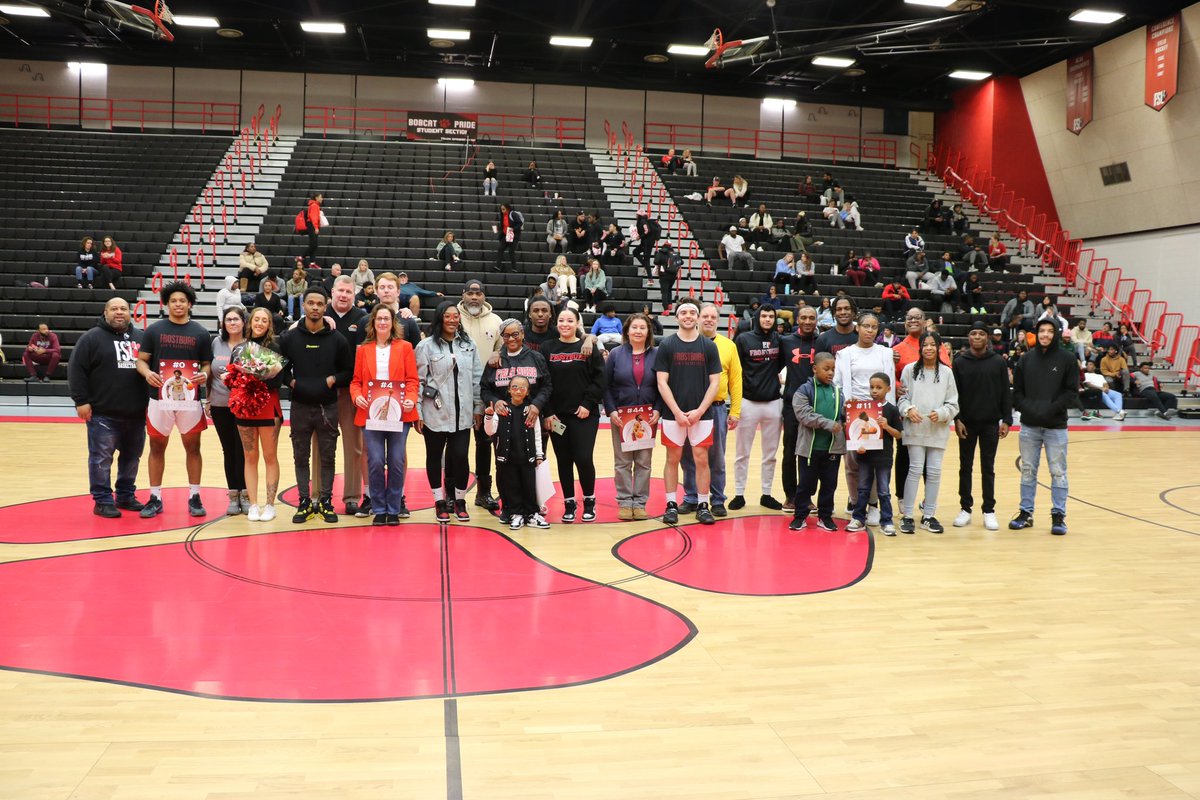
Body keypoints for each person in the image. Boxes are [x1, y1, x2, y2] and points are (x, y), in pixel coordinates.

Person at [135, 281, 212, 519]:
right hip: (159, 399)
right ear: (166, 304)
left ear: (190, 304)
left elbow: (207, 364)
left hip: (189, 399)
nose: (178, 304)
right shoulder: (154, 330)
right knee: (157, 447)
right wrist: (147, 373)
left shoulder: (201, 333)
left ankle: (195, 495)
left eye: (182, 301)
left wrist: (204, 375)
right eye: (173, 301)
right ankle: (155, 497)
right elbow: (141, 360)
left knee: (193, 447)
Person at [69, 296, 149, 518]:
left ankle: (125, 495)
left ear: (130, 313)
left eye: (123, 308)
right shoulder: (90, 338)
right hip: (102, 414)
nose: (119, 312)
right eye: (114, 309)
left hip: (136, 414)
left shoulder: (142, 338)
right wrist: (80, 401)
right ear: (105, 313)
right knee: (101, 459)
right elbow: (76, 370)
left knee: (132, 458)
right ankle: (102, 500)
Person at [279, 287, 353, 525]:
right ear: (304, 305)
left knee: (328, 457)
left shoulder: (337, 339)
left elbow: (348, 371)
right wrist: (291, 382)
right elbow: (279, 368)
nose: (315, 307)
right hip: (300, 406)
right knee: (300, 457)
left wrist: (332, 380)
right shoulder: (289, 338)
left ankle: (325, 501)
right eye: (310, 303)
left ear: (325, 307)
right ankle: (304, 501)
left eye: (319, 304)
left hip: (327, 407)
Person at [350, 305, 419, 527]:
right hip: (371, 413)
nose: (382, 322)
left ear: (392, 322)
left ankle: (394, 508)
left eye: (386, 319)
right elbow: (356, 382)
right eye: (379, 318)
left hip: (399, 413)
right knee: (376, 461)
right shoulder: (363, 349)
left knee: (397, 461)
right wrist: (357, 396)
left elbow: (412, 380)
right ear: (373, 322)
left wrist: (411, 398)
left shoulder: (405, 347)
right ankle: (379, 509)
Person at [416, 300, 483, 523]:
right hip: (434, 414)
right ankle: (439, 502)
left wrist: (478, 407)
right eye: (448, 316)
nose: (453, 320)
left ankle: (460, 500)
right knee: (434, 457)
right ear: (439, 318)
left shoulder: (468, 344)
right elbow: (418, 381)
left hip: (463, 416)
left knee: (461, 457)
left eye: (456, 316)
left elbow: (476, 378)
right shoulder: (426, 346)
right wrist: (418, 411)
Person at [657, 298, 722, 526]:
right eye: (683, 312)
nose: (687, 316)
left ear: (697, 317)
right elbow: (661, 382)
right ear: (677, 317)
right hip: (672, 414)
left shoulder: (709, 346)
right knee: (672, 458)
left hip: (701, 415)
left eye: (692, 313)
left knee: (701, 459)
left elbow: (715, 382)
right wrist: (676, 411)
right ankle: (671, 504)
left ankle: (703, 505)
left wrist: (700, 410)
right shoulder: (667, 345)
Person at [480, 318, 552, 523]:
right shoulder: (495, 360)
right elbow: (484, 388)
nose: (511, 339)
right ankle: (509, 507)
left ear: (522, 334)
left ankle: (533, 506)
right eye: (506, 335)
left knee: (532, 464)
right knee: (504, 467)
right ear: (502, 337)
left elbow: (547, 386)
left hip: (530, 419)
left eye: (515, 334)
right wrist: (495, 401)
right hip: (504, 421)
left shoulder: (536, 357)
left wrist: (537, 404)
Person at [1010, 319, 1078, 535]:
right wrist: (1031, 409)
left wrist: (1049, 409)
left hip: (1056, 426)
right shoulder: (1026, 359)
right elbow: (1017, 392)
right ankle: (1026, 513)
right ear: (1036, 333)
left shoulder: (1067, 359)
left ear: (1055, 334)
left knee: (1058, 472)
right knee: (1028, 470)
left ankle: (1059, 516)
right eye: (1042, 331)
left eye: (1049, 331)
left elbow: (1071, 392)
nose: (1045, 335)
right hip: (1029, 426)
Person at [542, 306, 607, 523]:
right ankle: (569, 503)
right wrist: (548, 412)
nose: (565, 324)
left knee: (583, 457)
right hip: (557, 417)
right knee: (563, 460)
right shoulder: (547, 348)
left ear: (577, 323)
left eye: (570, 320)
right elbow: (543, 382)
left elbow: (600, 378)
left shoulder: (588, 346)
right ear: (556, 323)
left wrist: (588, 403)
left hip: (584, 415)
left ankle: (589, 500)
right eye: (561, 320)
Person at [679, 303, 740, 517]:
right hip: (690, 408)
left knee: (716, 457)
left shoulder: (728, 346)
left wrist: (735, 411)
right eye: (705, 316)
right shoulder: (687, 344)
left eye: (713, 317)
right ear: (698, 318)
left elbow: (736, 380)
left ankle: (717, 499)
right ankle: (691, 497)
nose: (709, 320)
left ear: (718, 320)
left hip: (716, 408)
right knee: (688, 455)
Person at [835, 312, 896, 523]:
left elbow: (891, 384)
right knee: (853, 463)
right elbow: (838, 384)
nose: (870, 330)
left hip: (878, 413)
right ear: (857, 328)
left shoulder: (885, 353)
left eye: (874, 327)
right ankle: (855, 502)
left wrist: (890, 413)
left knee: (875, 462)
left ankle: (873, 505)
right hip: (853, 413)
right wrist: (845, 407)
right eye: (866, 326)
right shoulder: (845, 354)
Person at [951, 322, 1013, 531]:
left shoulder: (998, 362)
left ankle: (989, 510)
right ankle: (965, 509)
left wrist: (1007, 420)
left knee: (988, 468)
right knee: (965, 467)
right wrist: (957, 419)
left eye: (981, 334)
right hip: (966, 424)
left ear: (987, 337)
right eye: (973, 333)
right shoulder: (960, 362)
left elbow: (1005, 392)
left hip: (990, 424)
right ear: (968, 337)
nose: (977, 337)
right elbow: (954, 394)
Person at [897, 331, 959, 535]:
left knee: (934, 472)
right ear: (920, 348)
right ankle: (907, 515)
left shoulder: (947, 373)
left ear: (939, 347)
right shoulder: (909, 370)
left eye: (933, 344)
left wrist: (941, 413)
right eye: (925, 345)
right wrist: (908, 410)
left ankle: (929, 516)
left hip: (937, 430)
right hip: (915, 429)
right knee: (915, 469)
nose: (929, 348)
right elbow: (902, 398)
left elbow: (953, 404)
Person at [229, 307, 285, 522]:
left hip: (268, 405)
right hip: (245, 407)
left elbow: (277, 380)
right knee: (250, 457)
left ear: (269, 324)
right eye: (257, 319)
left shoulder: (275, 347)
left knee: (270, 456)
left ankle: (270, 505)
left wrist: (254, 378)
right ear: (250, 322)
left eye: (264, 320)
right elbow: (233, 378)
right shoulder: (239, 348)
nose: (260, 323)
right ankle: (253, 504)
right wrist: (240, 379)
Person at [729, 304, 786, 510]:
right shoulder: (743, 339)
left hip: (773, 402)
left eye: (771, 316)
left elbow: (780, 365)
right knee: (742, 453)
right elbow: (735, 369)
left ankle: (766, 494)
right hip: (748, 402)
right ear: (757, 317)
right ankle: (739, 494)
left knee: (770, 454)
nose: (767, 319)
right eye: (764, 316)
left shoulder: (779, 340)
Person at [604, 312, 661, 520]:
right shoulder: (615, 354)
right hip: (621, 416)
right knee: (623, 462)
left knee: (644, 462)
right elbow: (606, 386)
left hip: (648, 417)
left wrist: (658, 409)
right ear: (627, 331)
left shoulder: (657, 354)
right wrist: (611, 410)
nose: (638, 331)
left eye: (642, 327)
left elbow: (663, 385)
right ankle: (625, 502)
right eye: (634, 327)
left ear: (648, 331)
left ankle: (640, 503)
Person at [457, 278, 503, 511]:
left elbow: (505, 349)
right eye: (470, 293)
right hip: (456, 391)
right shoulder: (453, 317)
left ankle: (484, 492)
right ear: (463, 295)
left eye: (478, 294)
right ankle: (454, 493)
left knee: (485, 442)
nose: (474, 297)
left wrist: (498, 353)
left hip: (486, 392)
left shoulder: (496, 321)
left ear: (484, 296)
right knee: (456, 444)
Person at [788, 352, 845, 531]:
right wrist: (828, 424)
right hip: (809, 449)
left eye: (833, 369)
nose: (831, 373)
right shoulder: (803, 390)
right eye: (826, 369)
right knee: (805, 485)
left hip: (832, 448)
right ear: (815, 369)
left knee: (829, 485)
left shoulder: (838, 391)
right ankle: (800, 516)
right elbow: (804, 415)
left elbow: (844, 416)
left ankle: (825, 517)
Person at [484, 377, 550, 530]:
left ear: (527, 392)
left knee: (529, 487)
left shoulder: (531, 411)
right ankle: (516, 514)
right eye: (514, 387)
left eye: (522, 388)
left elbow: (537, 434)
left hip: (528, 458)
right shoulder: (501, 410)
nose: (518, 391)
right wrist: (489, 416)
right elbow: (490, 431)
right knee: (512, 487)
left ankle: (532, 513)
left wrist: (539, 455)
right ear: (508, 390)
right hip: (508, 459)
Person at [846, 372, 902, 535]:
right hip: (865, 456)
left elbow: (899, 434)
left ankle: (887, 521)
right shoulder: (864, 408)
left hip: (884, 458)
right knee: (863, 489)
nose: (874, 391)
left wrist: (887, 427)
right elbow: (856, 429)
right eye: (872, 387)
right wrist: (857, 445)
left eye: (879, 387)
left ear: (888, 389)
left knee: (883, 491)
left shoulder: (892, 409)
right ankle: (858, 518)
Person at [207, 306, 249, 515]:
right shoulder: (216, 343)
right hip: (219, 405)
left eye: (236, 319)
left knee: (243, 450)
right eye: (228, 319)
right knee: (228, 450)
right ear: (223, 323)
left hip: (244, 406)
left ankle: (246, 494)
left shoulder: (250, 344)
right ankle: (233, 495)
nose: (232, 322)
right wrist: (207, 400)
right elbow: (208, 373)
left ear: (243, 321)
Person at [779, 306, 818, 510]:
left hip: (816, 405)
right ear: (797, 320)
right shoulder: (785, 341)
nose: (808, 321)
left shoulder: (822, 342)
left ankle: (806, 496)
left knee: (811, 454)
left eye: (812, 318)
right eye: (804, 317)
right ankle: (790, 496)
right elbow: (772, 367)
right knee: (790, 452)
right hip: (791, 406)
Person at [653, 242, 681, 315]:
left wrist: (656, 255)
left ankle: (666, 309)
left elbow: (656, 262)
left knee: (664, 292)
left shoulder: (660, 252)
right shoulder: (674, 253)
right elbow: (681, 262)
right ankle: (670, 304)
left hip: (664, 275)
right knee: (669, 289)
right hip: (673, 275)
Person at [494, 204, 523, 274]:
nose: (502, 211)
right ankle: (497, 266)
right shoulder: (502, 215)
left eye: (503, 209)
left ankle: (514, 268)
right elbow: (503, 225)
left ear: (507, 209)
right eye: (501, 209)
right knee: (500, 249)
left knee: (511, 252)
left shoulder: (512, 214)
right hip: (506, 233)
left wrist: (513, 229)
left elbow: (520, 223)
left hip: (511, 233)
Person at [296, 192, 323, 261]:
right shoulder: (314, 206)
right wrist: (316, 227)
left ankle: (312, 262)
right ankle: (301, 257)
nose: (322, 199)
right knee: (314, 245)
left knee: (313, 245)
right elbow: (314, 217)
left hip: (312, 225)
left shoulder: (314, 205)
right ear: (316, 198)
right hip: (312, 225)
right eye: (320, 197)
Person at [633, 210, 661, 275]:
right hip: (645, 242)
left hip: (647, 243)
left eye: (637, 214)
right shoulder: (643, 221)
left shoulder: (642, 221)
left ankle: (650, 278)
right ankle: (646, 267)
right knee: (635, 252)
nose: (636, 216)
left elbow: (647, 231)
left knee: (646, 259)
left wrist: (640, 237)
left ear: (639, 215)